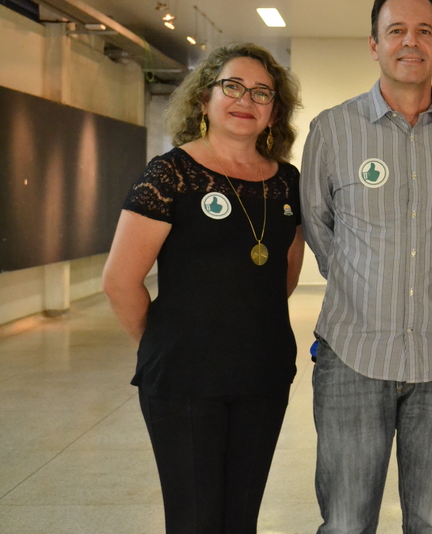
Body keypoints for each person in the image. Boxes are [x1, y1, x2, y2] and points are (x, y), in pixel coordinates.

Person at [300, 0, 432, 534]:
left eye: (424, 30)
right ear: (374, 44)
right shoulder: (331, 130)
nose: (411, 41)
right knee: (347, 522)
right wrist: (367, 284)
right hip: (353, 354)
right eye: (396, 30)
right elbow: (318, 226)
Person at [102, 42, 305, 534]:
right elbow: (120, 281)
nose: (246, 100)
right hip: (185, 380)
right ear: (203, 99)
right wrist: (163, 345)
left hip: (263, 373)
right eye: (232, 86)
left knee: (241, 520)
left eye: (262, 92)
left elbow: (284, 274)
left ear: (274, 111)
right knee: (195, 520)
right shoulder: (170, 174)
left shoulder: (288, 183)